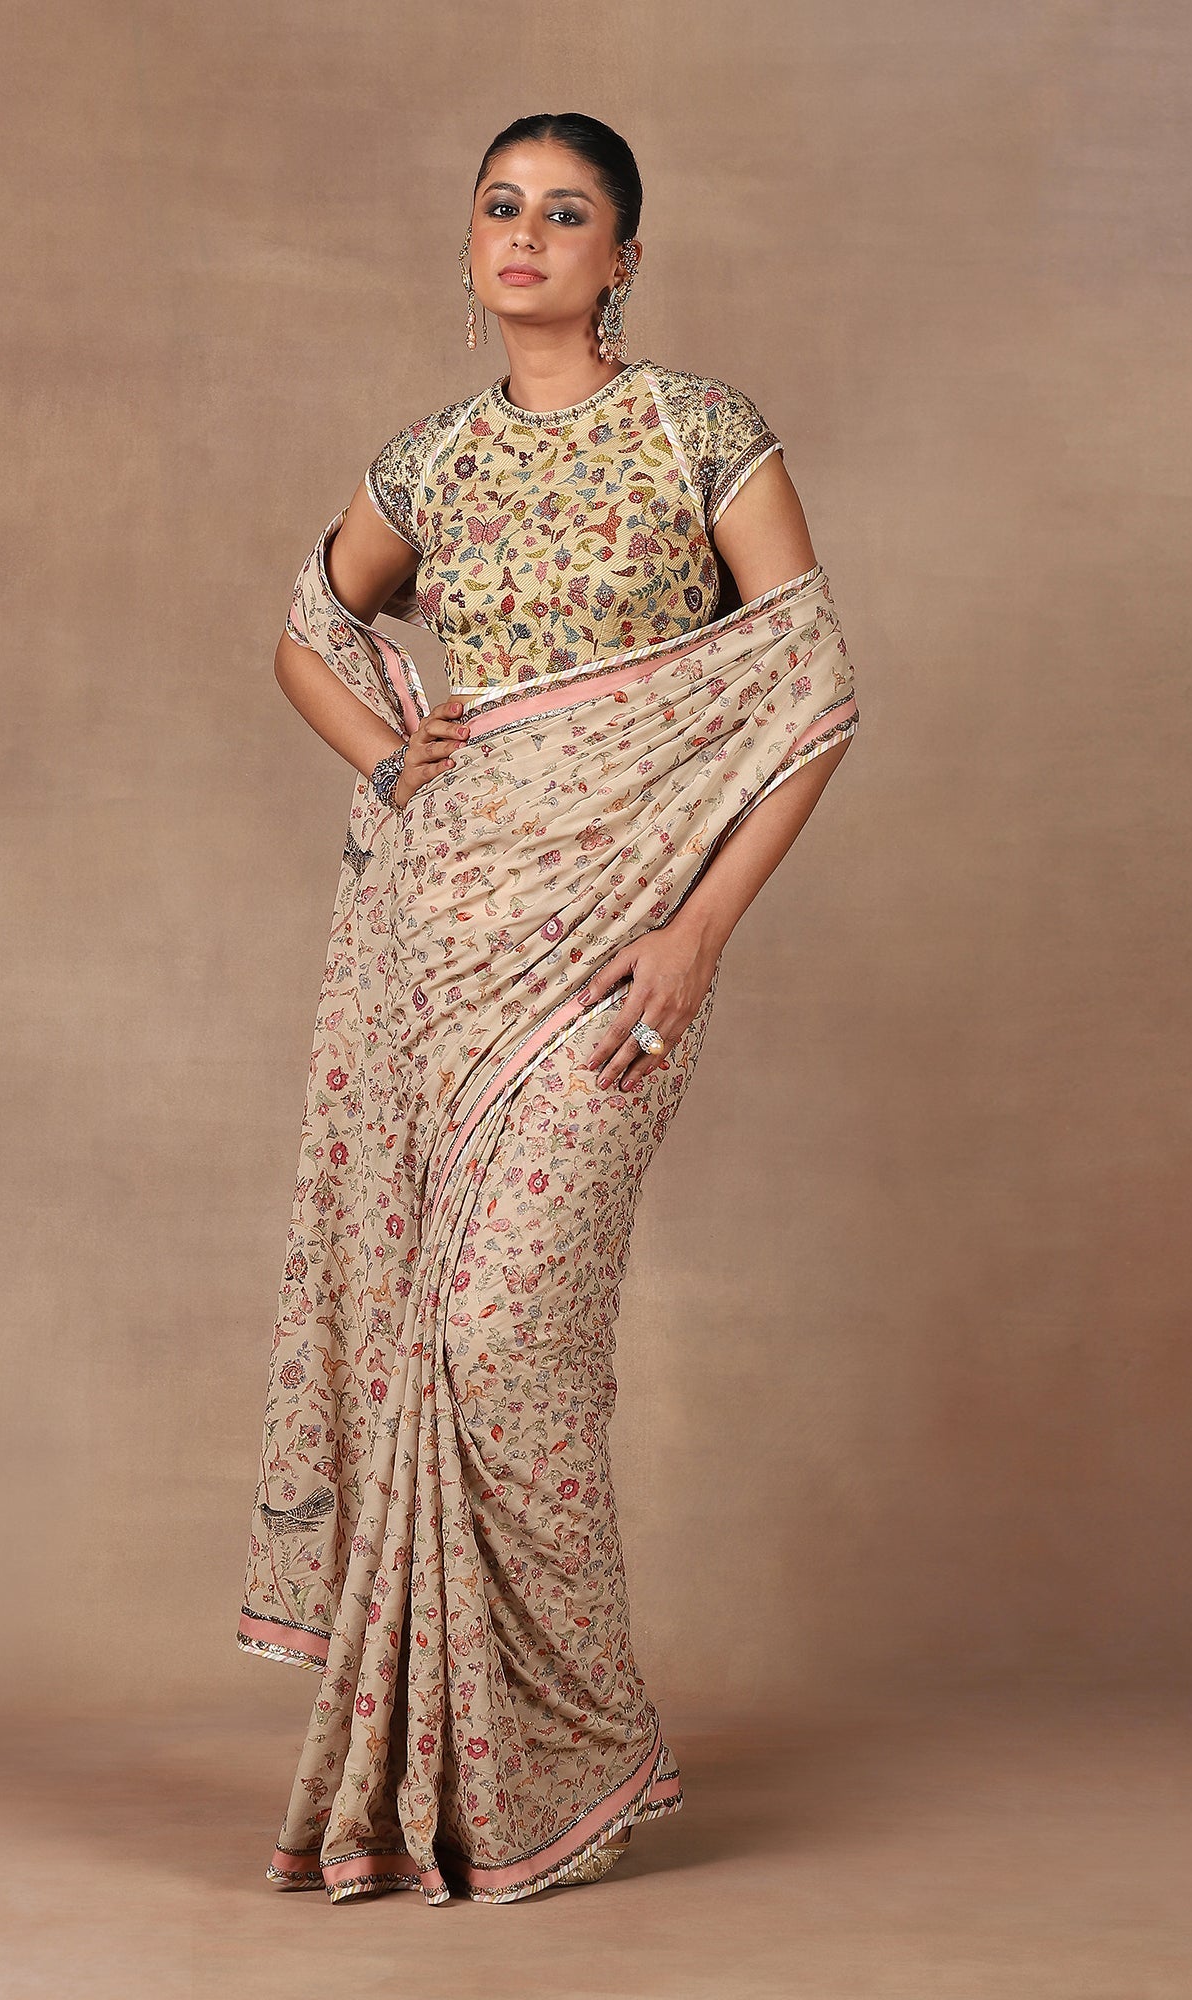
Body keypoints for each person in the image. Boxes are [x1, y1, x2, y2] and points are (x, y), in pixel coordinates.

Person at [238, 110, 861, 1905]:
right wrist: (393, 758)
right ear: (471, 245)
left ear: (623, 257)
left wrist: (702, 931)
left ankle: (577, 1748)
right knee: (437, 1343)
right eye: (500, 207)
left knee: (509, 1335)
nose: (524, 235)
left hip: (619, 951)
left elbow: (811, 688)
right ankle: (463, 1781)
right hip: (446, 941)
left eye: (565, 212)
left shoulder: (699, 431)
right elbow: (307, 631)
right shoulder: (428, 461)